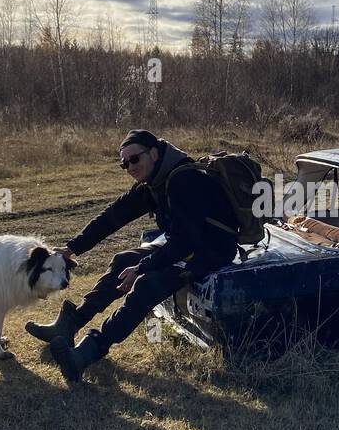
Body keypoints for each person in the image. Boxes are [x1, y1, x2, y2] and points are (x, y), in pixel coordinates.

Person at [26, 130, 239, 382]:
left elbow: (186, 242)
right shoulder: (153, 183)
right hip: (186, 246)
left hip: (210, 251)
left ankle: (87, 352)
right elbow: (113, 217)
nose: (129, 167)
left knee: (147, 285)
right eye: (123, 163)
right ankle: (70, 325)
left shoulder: (184, 180)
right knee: (121, 260)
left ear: (154, 153)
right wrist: (72, 248)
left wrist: (142, 268)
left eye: (134, 159)